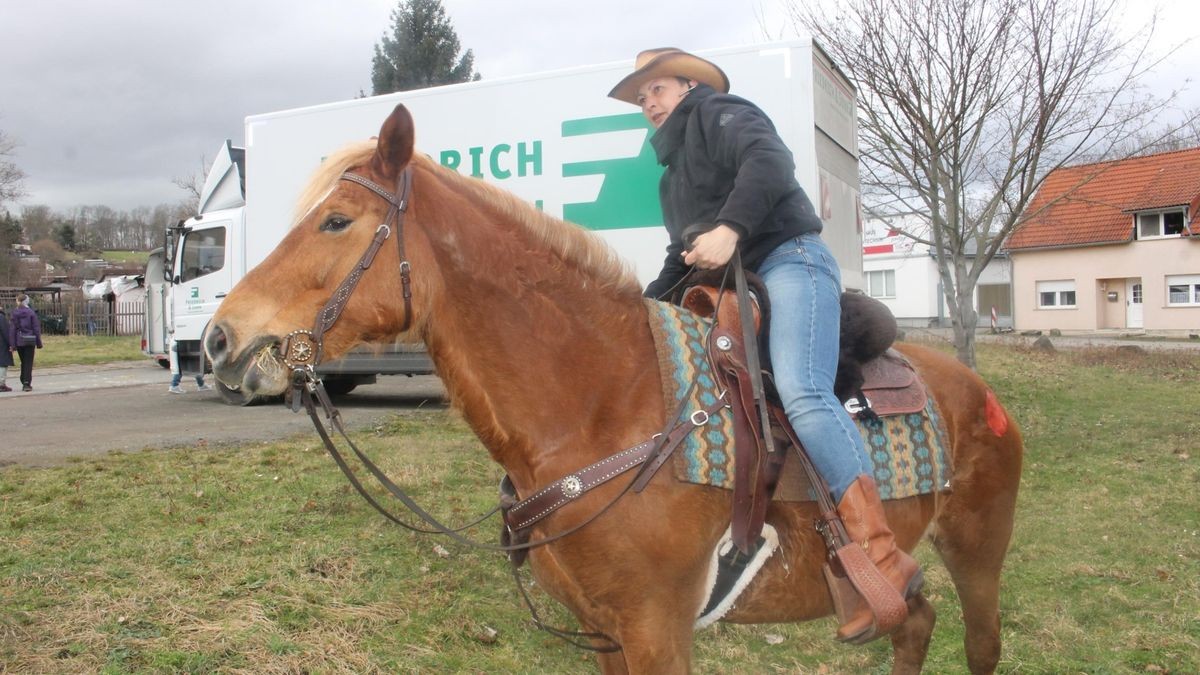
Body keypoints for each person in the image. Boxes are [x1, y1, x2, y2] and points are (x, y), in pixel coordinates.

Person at [609, 48, 922, 643]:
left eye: (658, 89)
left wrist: (731, 229)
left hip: (788, 258)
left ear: (688, 87)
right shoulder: (672, 178)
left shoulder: (721, 112)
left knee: (803, 388)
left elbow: (769, 161)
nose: (649, 102)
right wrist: (640, 312)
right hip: (726, 279)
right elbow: (682, 255)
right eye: (642, 96)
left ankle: (880, 554)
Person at [8, 293, 43, 392]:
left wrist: (12, 344)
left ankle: (23, 379)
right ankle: (26, 383)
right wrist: (39, 342)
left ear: (18, 301)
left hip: (19, 341)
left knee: (23, 361)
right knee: (28, 362)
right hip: (30, 340)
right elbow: (36, 328)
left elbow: (12, 330)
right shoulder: (31, 313)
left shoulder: (15, 313)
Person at [0, 306, 13, 392]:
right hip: (1, 344)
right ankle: (1, 384)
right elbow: (6, 331)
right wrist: (11, 344)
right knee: (2, 363)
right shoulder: (1, 318)